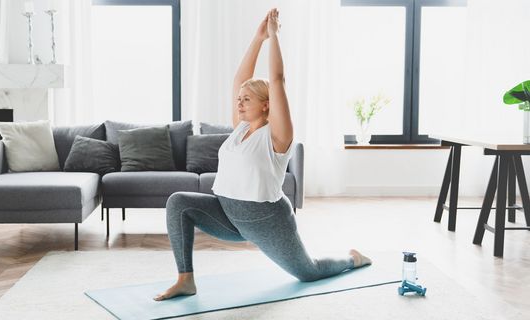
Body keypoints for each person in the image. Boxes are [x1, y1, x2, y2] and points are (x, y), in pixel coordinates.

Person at [154, 8, 371, 301]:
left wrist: (274, 36)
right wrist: (257, 40)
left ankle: (352, 259)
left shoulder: (278, 136)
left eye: (247, 100)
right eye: (238, 100)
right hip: (228, 215)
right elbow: (239, 80)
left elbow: (278, 80)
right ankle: (186, 279)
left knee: (309, 271)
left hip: (266, 220)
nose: (239, 104)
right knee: (178, 203)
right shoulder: (239, 130)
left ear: (266, 105)